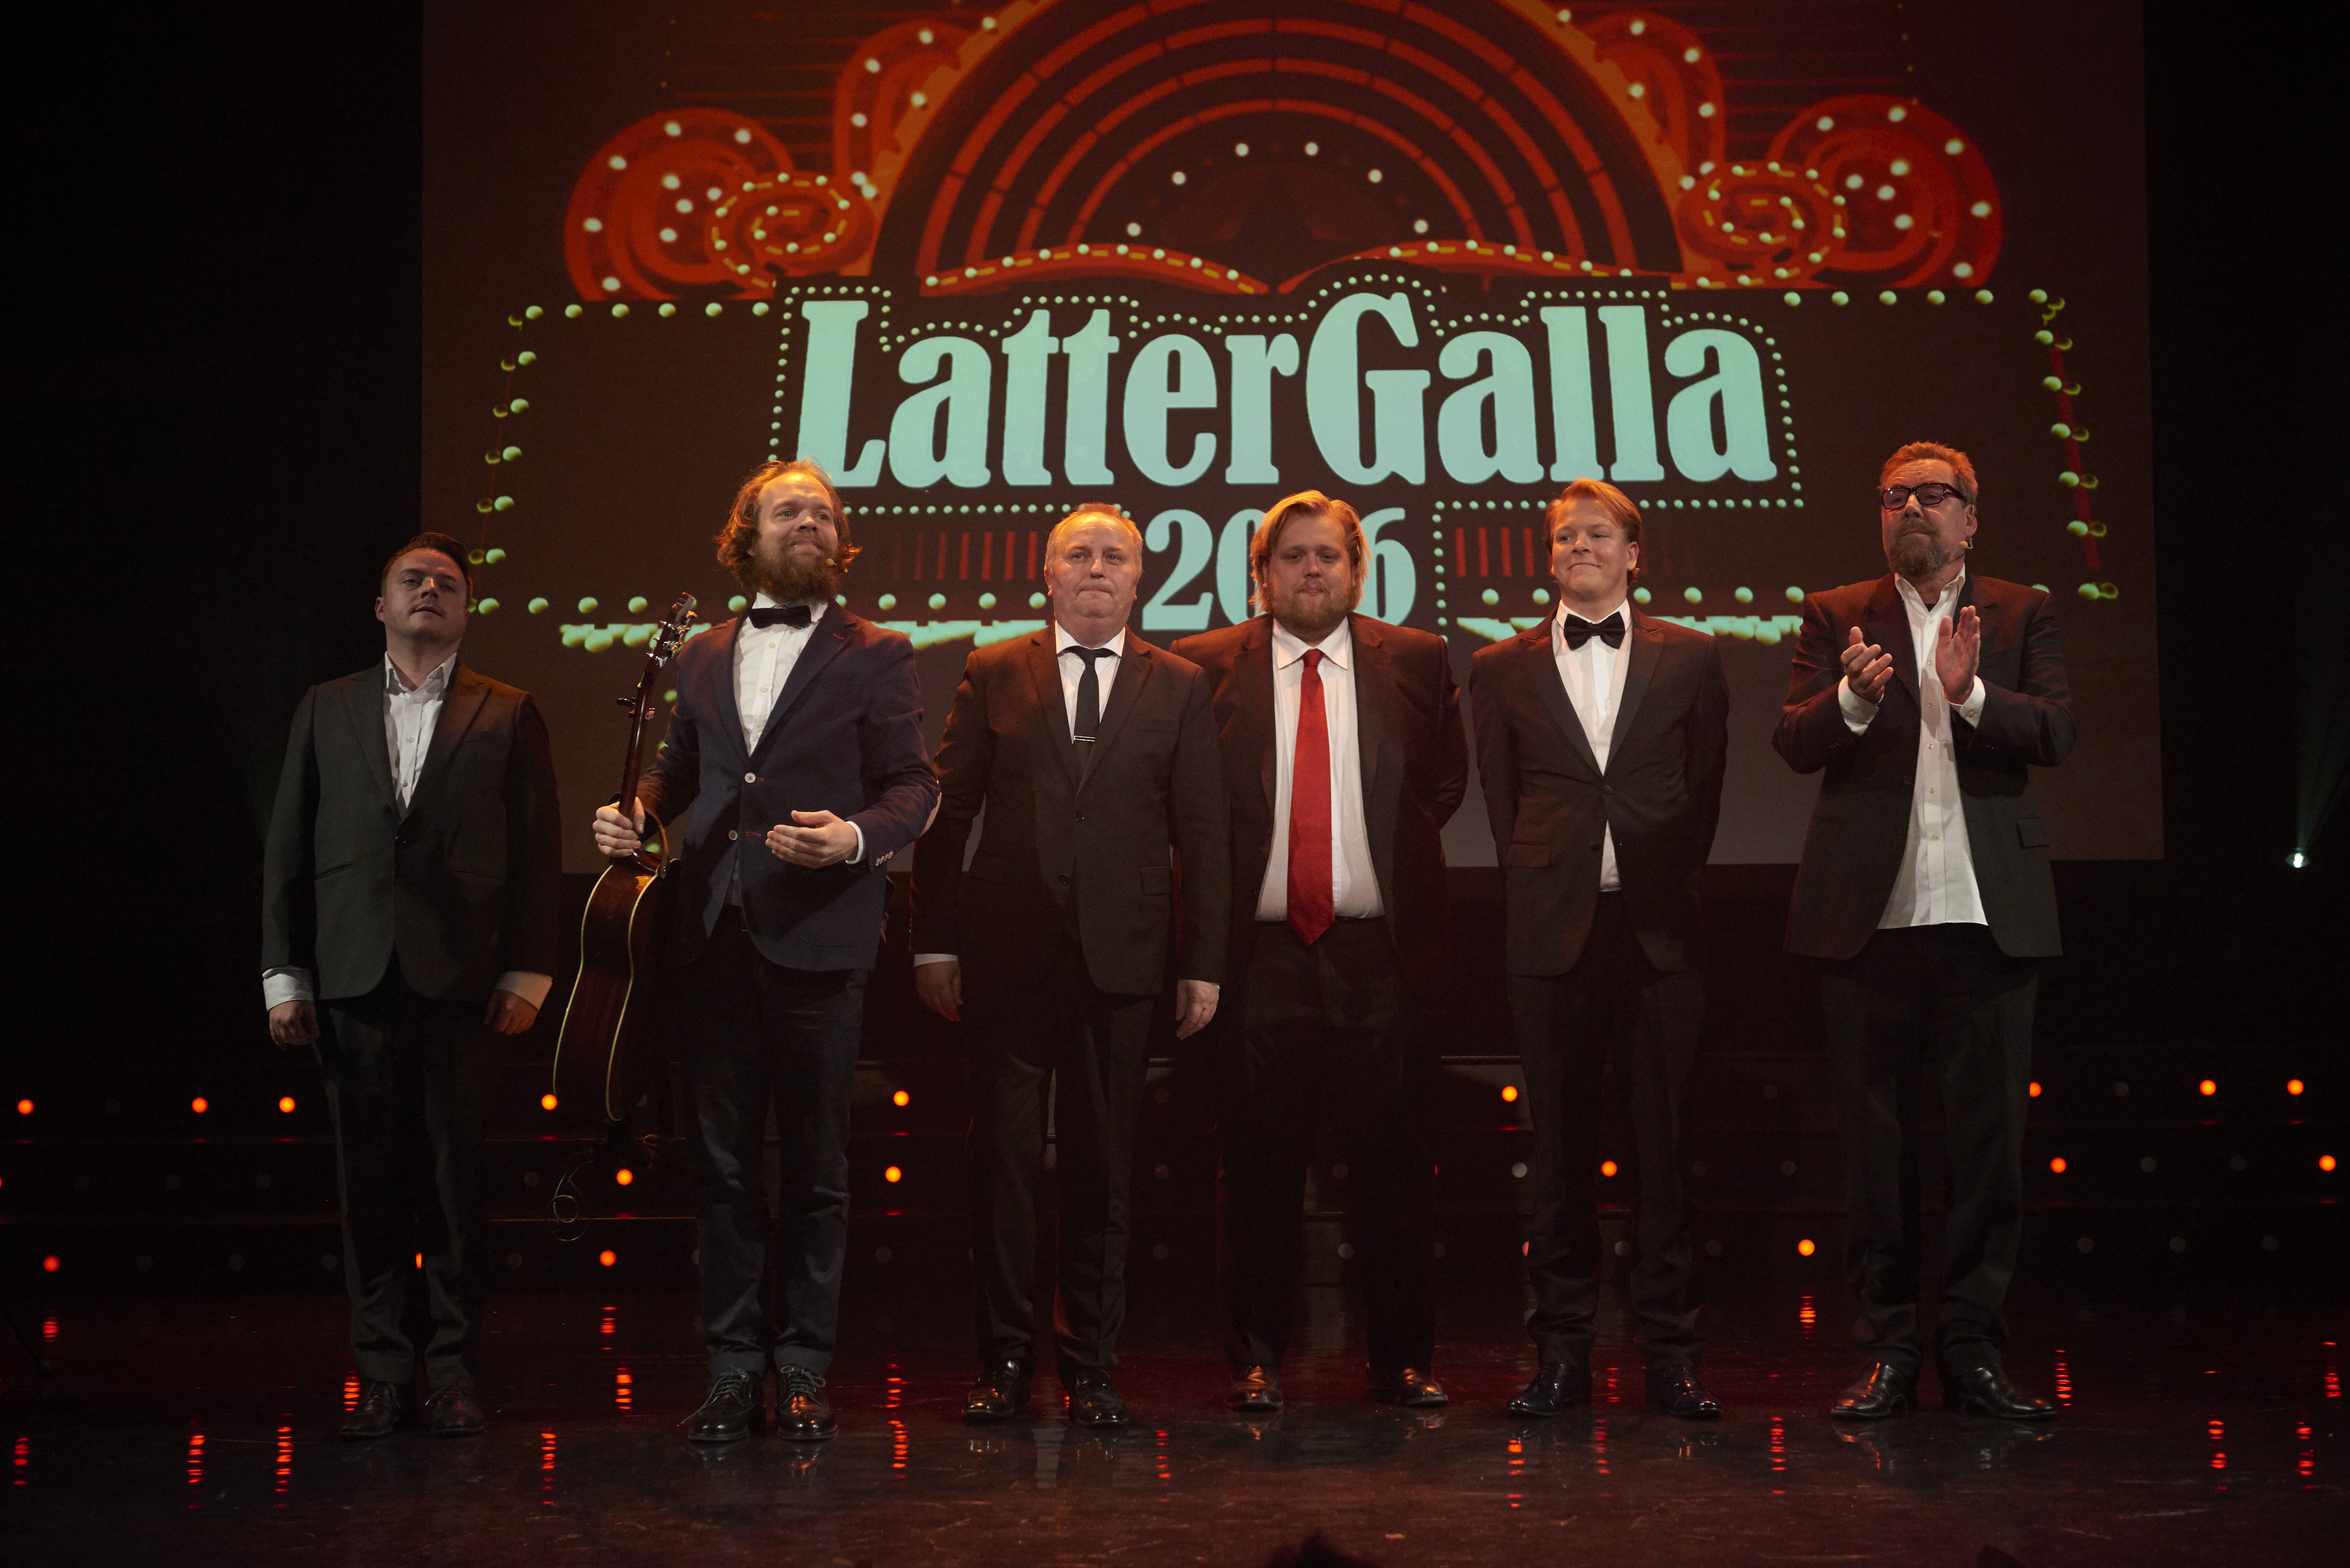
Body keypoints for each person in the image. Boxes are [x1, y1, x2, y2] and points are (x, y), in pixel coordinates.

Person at [591, 458, 937, 1444]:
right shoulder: (704, 653)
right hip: (712, 940)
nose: (811, 524)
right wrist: (637, 810)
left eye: (824, 514)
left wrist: (855, 838)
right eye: (790, 512)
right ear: (748, 538)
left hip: (820, 939)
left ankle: (806, 1367)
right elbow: (678, 771)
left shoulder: (878, 652)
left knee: (818, 1169)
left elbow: (915, 786)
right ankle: (735, 1365)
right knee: (724, 1168)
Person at [911, 504, 1230, 1429]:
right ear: (1047, 576)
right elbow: (949, 813)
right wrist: (935, 939)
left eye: (1114, 556)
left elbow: (1204, 831)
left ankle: (1092, 1364)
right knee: (1004, 1168)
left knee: (1104, 1169)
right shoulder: (994, 668)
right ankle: (1005, 1359)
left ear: (1140, 579)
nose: (1097, 568)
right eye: (1079, 555)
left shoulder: (1180, 684)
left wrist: (1204, 961)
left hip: (1123, 959)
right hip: (1006, 955)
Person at [1775, 441, 2075, 1422]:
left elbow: (2058, 733)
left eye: (1933, 494)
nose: (1912, 507)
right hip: (1872, 924)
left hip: (1989, 923)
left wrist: (1970, 693)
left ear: (1970, 518)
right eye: (1894, 495)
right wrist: (1854, 700)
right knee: (1876, 1155)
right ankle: (1892, 1351)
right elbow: (1793, 741)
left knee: (1989, 1155)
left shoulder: (2022, 611)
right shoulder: (1837, 615)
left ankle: (1975, 1352)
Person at [262, 531, 562, 1440]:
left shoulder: (508, 712)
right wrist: (284, 971)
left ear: (466, 611)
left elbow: (538, 851)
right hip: (353, 977)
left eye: (447, 584)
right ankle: (384, 1374)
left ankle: (456, 1373)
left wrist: (530, 970)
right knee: (370, 1187)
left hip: (466, 983)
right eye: (412, 579)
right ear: (382, 605)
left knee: (456, 1185)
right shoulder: (327, 706)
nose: (430, 590)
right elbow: (289, 843)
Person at [1171, 490, 1466, 1412]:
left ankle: (1402, 1361)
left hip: (1381, 958)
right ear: (1260, 574)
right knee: (1258, 1173)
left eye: (1327, 556)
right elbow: (1186, 808)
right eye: (1291, 556)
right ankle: (1256, 1360)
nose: (1310, 570)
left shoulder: (1416, 660)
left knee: (1394, 1171)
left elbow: (1442, 787)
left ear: (1358, 570)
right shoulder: (1200, 666)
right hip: (1257, 961)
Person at [1469, 479, 1729, 1421]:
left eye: (1598, 533)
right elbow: (1503, 802)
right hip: (1551, 938)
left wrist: (1662, 885)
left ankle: (1672, 1357)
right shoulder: (1499, 667)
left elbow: (1703, 791)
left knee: (1665, 1156)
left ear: (1634, 553)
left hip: (1658, 934)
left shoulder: (1692, 656)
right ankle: (1562, 1356)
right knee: (1560, 1159)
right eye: (1564, 536)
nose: (1580, 546)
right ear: (1550, 556)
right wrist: (1551, 885)